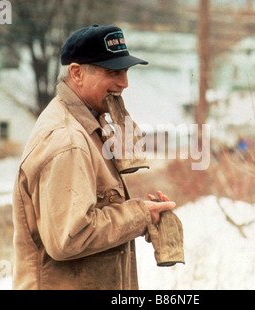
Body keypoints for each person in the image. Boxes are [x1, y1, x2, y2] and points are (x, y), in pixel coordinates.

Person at [12, 24, 176, 290]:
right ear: (76, 73)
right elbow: (71, 237)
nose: (124, 83)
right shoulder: (69, 141)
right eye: (113, 72)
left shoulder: (87, 126)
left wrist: (145, 214)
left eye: (125, 71)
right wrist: (139, 215)